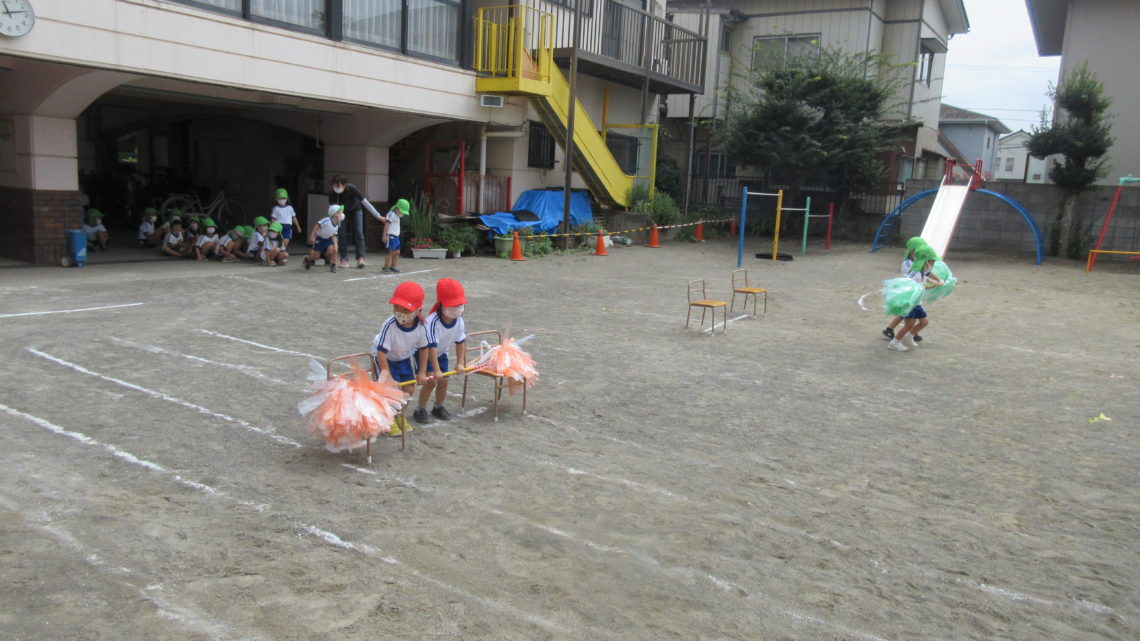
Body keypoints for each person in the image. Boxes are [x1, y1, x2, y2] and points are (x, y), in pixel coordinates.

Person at [371, 281, 432, 437]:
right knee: (390, 390)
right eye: (396, 308)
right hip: (385, 359)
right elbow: (381, 353)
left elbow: (424, 349)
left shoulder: (422, 326)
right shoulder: (389, 325)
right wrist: (388, 377)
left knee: (409, 389)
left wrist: (422, 372)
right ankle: (388, 419)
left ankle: (400, 415)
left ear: (417, 310)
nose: (400, 312)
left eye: (405, 309)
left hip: (403, 358)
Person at [415, 278, 468, 423]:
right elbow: (431, 347)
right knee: (431, 380)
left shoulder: (459, 321)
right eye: (453, 305)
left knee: (444, 381)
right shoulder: (432, 322)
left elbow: (460, 342)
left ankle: (438, 406)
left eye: (460, 304)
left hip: (442, 353)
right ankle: (420, 409)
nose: (457, 308)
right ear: (442, 304)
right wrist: (436, 369)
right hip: (425, 353)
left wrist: (460, 363)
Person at [889, 246, 944, 352]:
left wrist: (931, 284)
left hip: (917, 304)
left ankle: (909, 337)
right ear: (926, 261)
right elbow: (911, 287)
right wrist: (931, 286)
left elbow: (922, 284)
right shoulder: (915, 274)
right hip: (911, 304)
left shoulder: (921, 273)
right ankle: (894, 343)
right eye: (932, 262)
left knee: (924, 322)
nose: (933, 265)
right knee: (908, 325)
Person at [328, 173, 381, 269]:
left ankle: (361, 258)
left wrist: (377, 216)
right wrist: (334, 218)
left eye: (338, 185)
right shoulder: (332, 193)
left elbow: (365, 202)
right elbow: (332, 209)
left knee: (358, 232)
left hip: (356, 209)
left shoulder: (352, 188)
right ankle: (344, 259)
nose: (336, 187)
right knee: (341, 232)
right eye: (334, 185)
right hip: (341, 213)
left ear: (345, 185)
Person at [883, 236, 929, 341]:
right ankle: (911, 332)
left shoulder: (917, 262)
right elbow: (913, 277)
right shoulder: (907, 264)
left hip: (916, 292)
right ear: (912, 252)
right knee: (909, 312)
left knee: (907, 313)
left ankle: (890, 329)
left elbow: (924, 274)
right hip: (910, 292)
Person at [303, 205, 344, 273]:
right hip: (319, 239)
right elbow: (317, 225)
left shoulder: (337, 224)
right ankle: (308, 259)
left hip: (328, 239)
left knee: (333, 249)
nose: (342, 214)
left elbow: (333, 234)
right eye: (341, 212)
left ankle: (333, 265)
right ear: (335, 214)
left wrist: (335, 244)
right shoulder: (327, 220)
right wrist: (312, 235)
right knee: (316, 256)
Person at [382, 198, 411, 273]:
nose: (403, 214)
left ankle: (393, 266)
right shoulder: (391, 214)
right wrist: (384, 235)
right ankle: (386, 267)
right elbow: (386, 224)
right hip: (390, 236)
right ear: (397, 208)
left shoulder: (397, 215)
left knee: (397, 252)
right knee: (391, 252)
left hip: (396, 236)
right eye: (402, 212)